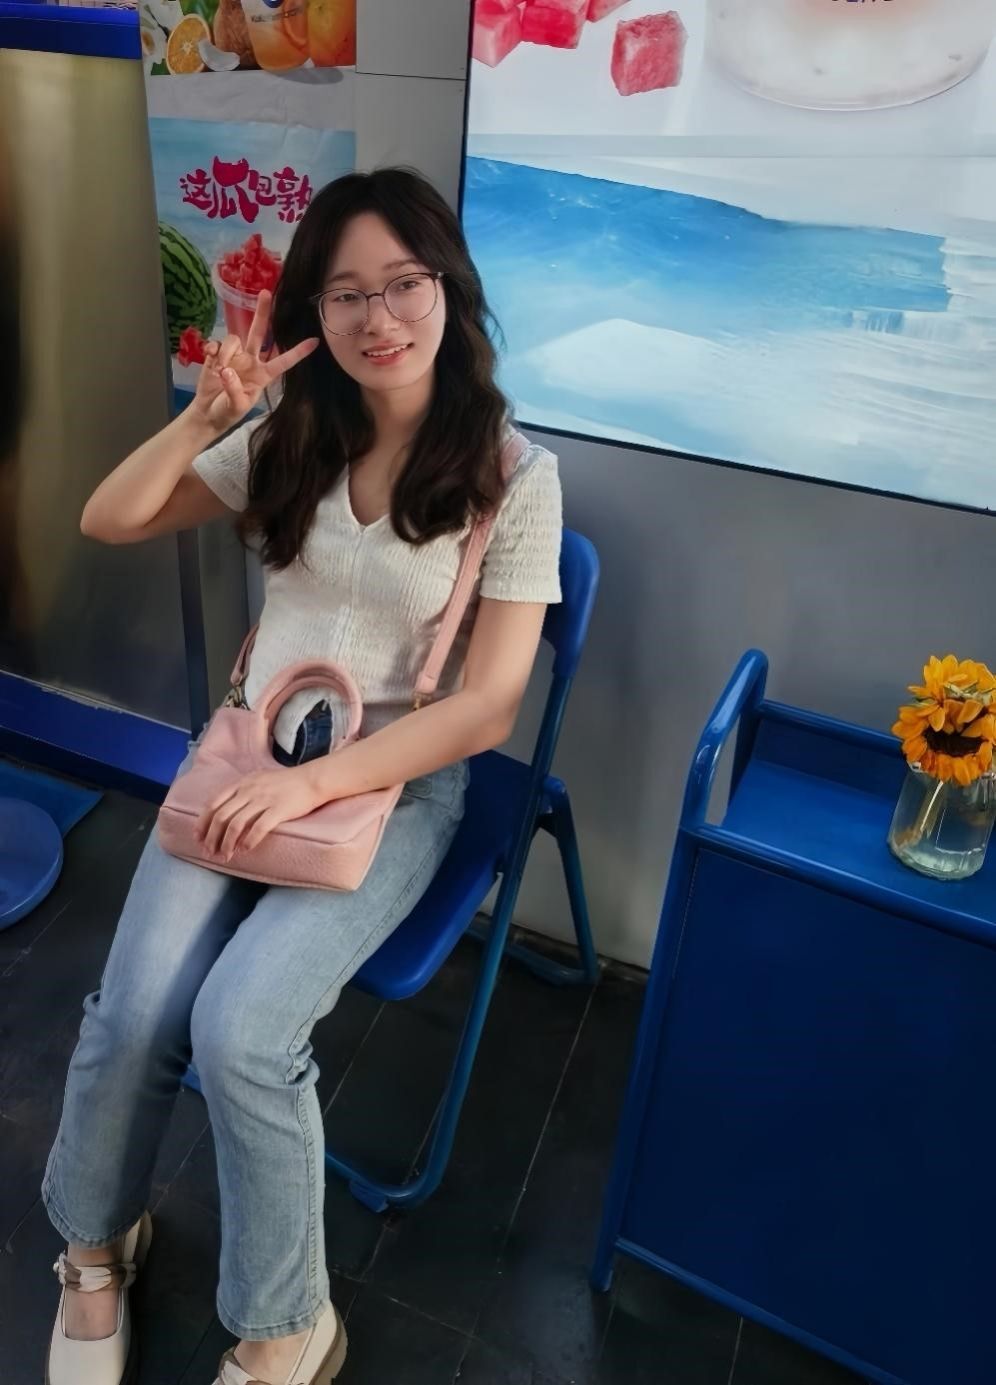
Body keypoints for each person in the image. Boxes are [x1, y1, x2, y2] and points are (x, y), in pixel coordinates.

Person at [42, 166, 562, 1385]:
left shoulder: (514, 477)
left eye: (403, 284)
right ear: (313, 315)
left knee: (240, 1029)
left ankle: (287, 1325)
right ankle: (94, 1246)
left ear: (449, 287)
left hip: (391, 788)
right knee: (133, 1008)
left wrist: (313, 787)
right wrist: (199, 419)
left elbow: (487, 706)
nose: (380, 318)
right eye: (345, 294)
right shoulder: (295, 433)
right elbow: (110, 517)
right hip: (248, 750)